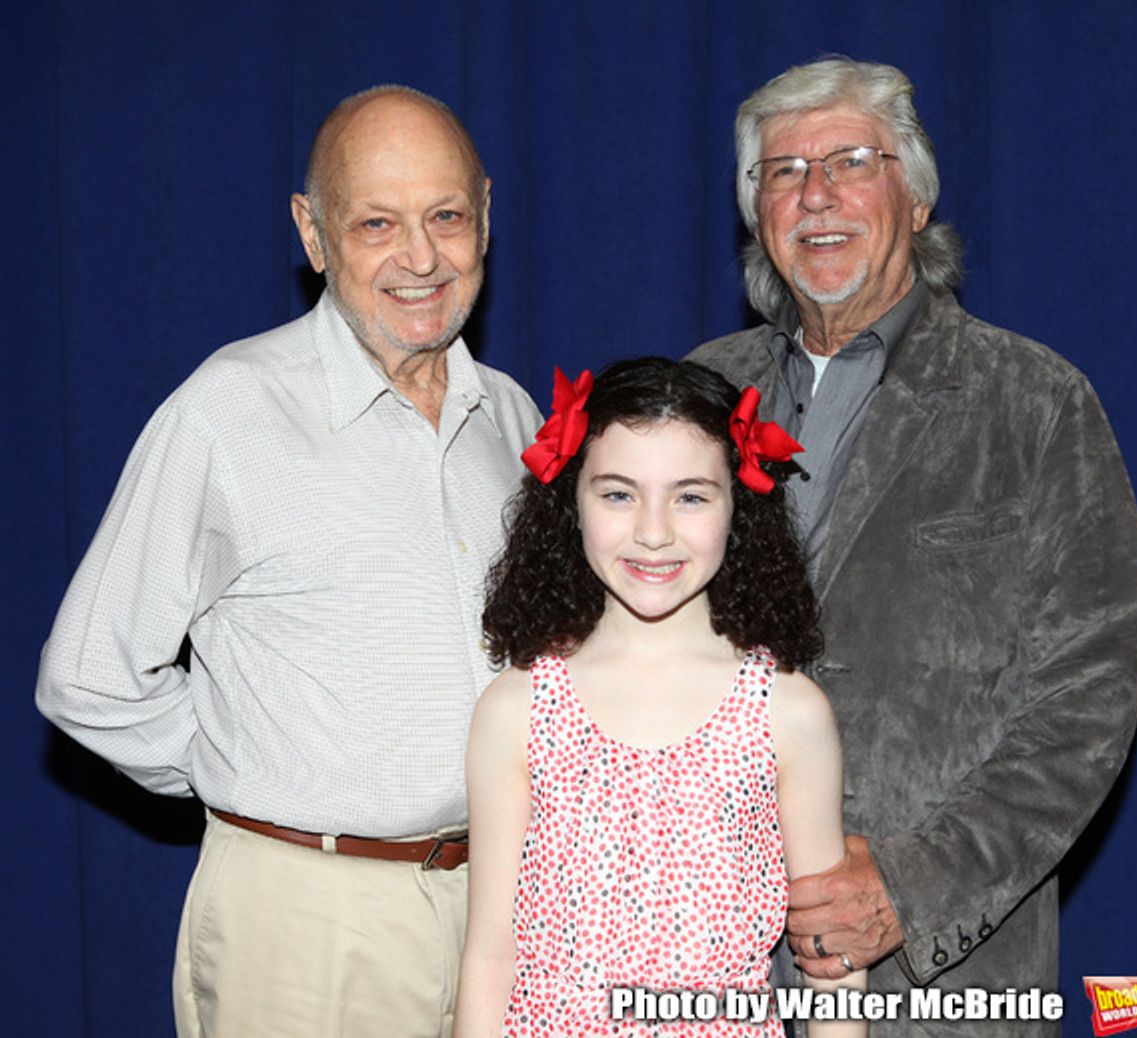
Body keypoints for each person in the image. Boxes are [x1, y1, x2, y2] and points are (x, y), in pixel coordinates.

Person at [36, 85, 541, 1038]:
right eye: (376, 223)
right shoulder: (228, 410)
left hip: (504, 912)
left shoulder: (514, 418)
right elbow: (86, 678)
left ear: (486, 214)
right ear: (314, 235)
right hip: (306, 924)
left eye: (445, 217)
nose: (421, 257)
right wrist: (244, 762)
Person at [688, 58, 1137, 1035]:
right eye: (780, 172)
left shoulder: (1034, 402)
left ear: (916, 196)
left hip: (941, 981)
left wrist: (916, 881)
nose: (815, 195)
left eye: (850, 161)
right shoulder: (691, 398)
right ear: (755, 214)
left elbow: (1092, 694)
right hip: (707, 968)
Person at [453, 357, 868, 1038]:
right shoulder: (517, 707)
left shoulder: (788, 711)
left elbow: (834, 952)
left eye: (691, 496)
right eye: (618, 494)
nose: (653, 531)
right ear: (570, 502)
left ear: (739, 506)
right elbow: (492, 952)